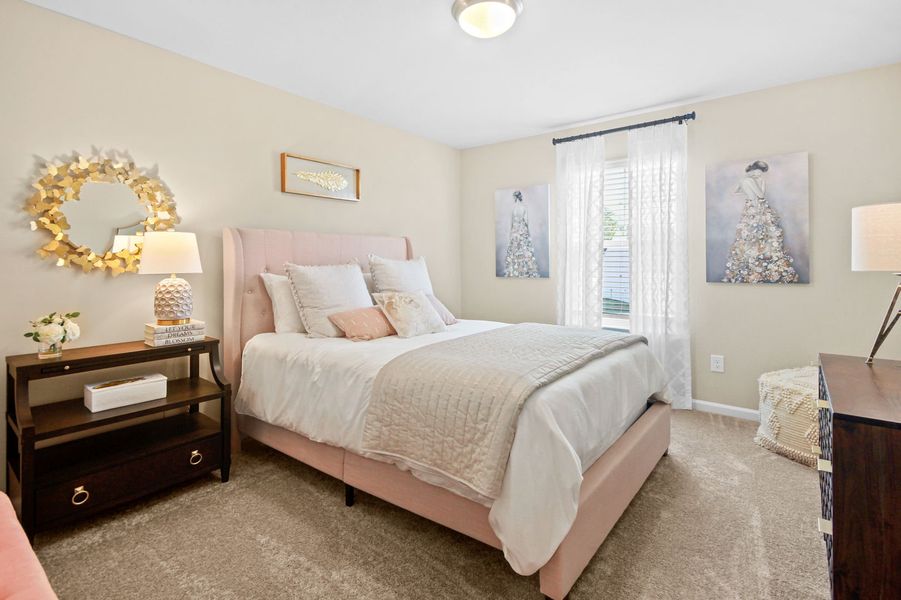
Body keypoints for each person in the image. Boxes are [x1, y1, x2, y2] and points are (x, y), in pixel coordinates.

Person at [722, 160, 799, 283]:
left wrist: (748, 193)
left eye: (761, 173)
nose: (760, 174)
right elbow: (761, 195)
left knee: (749, 236)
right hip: (758, 208)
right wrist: (761, 184)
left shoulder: (743, 181)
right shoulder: (751, 181)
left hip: (749, 208)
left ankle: (752, 267)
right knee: (762, 235)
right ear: (754, 169)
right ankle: (761, 267)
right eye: (759, 171)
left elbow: (736, 192)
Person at [504, 191, 540, 278]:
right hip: (523, 230)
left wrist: (510, 234)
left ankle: (515, 272)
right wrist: (528, 233)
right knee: (524, 251)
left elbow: (511, 222)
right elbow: (526, 222)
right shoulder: (524, 207)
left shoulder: (512, 208)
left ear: (515, 197)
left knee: (514, 252)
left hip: (515, 231)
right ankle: (524, 272)